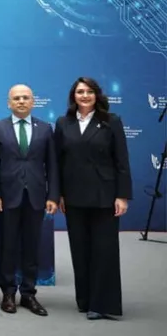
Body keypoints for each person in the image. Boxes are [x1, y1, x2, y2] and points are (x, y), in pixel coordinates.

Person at [54, 77, 131, 320]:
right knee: (80, 250)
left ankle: (103, 304)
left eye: (89, 91)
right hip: (74, 197)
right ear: (73, 96)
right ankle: (85, 300)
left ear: (97, 95)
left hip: (104, 197)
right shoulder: (63, 122)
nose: (85, 96)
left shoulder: (111, 121)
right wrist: (59, 194)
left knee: (104, 250)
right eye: (80, 92)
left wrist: (122, 196)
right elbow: (58, 162)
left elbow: (121, 161)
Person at [0, 84, 58, 316]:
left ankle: (29, 293)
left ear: (33, 101)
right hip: (7, 197)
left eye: (26, 97)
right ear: (9, 103)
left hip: (36, 197)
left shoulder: (45, 128)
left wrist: (53, 195)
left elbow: (52, 164)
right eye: (16, 98)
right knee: (8, 246)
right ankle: (8, 293)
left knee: (32, 246)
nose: (21, 101)